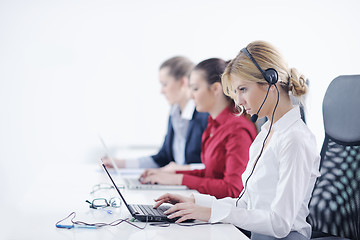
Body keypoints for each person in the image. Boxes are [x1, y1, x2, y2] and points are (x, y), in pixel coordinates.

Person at [153, 41, 321, 240]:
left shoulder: (295, 139)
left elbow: (280, 224)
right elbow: (244, 205)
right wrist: (195, 201)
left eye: (243, 89)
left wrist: (209, 213)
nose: (238, 102)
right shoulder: (266, 134)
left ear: (270, 81)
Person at [141, 58, 257, 199]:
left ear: (215, 89)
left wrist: (179, 179)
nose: (190, 95)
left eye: (195, 88)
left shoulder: (237, 130)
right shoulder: (213, 125)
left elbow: (234, 189)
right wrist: (170, 175)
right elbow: (210, 174)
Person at [103, 56, 208, 170]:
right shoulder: (174, 114)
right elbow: (162, 158)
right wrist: (121, 164)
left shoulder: (205, 116)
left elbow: (213, 167)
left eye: (165, 84)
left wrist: (180, 170)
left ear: (183, 82)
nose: (161, 91)